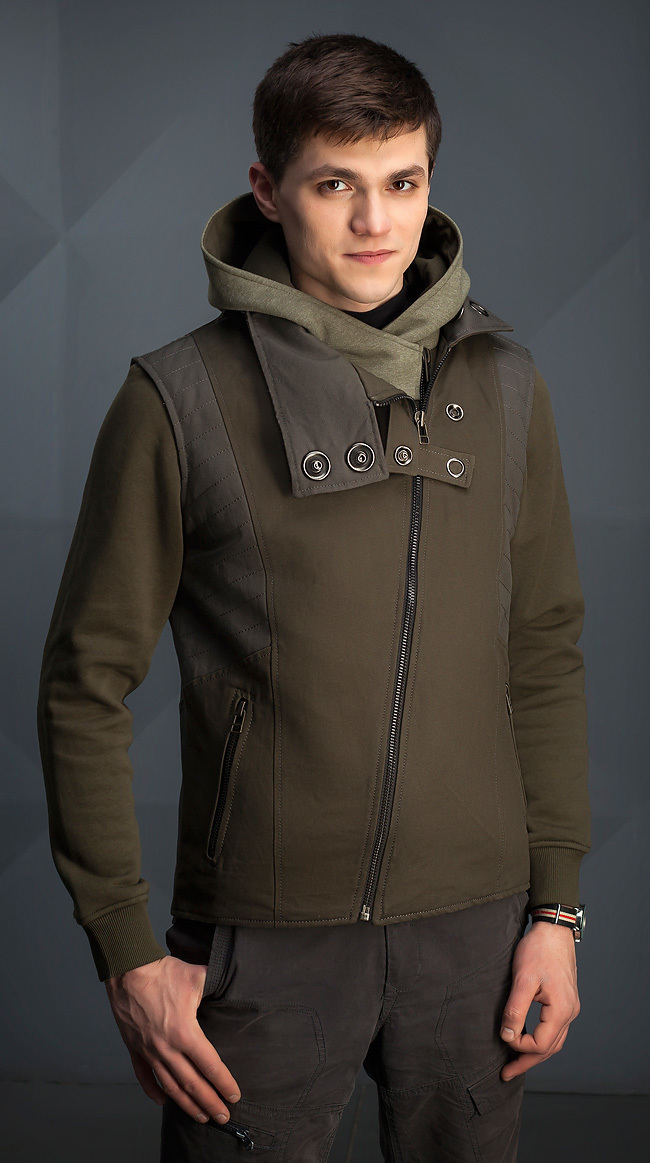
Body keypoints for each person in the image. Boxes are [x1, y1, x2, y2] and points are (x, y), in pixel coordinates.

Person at [36, 31, 591, 1162]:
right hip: (262, 941)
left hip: (478, 937)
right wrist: (126, 949)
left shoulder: (505, 383)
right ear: (268, 188)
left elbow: (541, 651)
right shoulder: (174, 398)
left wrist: (554, 911)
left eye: (403, 182)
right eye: (336, 185)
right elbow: (84, 685)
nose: (376, 222)